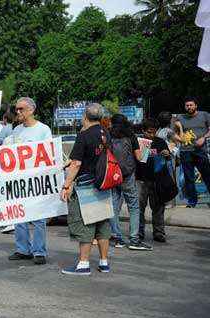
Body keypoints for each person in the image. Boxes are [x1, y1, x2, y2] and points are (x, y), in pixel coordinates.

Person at [60, 103, 112, 276]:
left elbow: (76, 163)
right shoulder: (105, 134)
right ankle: (104, 262)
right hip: (104, 184)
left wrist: (66, 185)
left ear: (85, 116)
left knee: (85, 223)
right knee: (103, 223)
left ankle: (83, 264)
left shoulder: (84, 135)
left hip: (86, 186)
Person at [5, 97, 52, 265]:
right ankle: (23, 249)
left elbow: (48, 154)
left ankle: (39, 251)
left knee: (38, 218)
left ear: (31, 110)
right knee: (19, 215)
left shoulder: (43, 130)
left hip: (37, 180)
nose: (18, 112)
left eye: (21, 109)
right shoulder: (16, 130)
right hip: (19, 180)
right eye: (17, 109)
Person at [107, 114, 152, 251]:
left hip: (113, 175)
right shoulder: (131, 136)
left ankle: (116, 237)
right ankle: (134, 239)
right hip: (127, 175)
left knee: (114, 206)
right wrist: (147, 150)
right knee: (133, 206)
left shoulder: (108, 136)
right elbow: (139, 157)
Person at [136, 118, 171, 243]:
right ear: (143, 131)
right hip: (141, 179)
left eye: (154, 132)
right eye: (149, 132)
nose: (151, 135)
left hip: (157, 180)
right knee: (139, 208)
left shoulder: (160, 142)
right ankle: (139, 232)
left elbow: (168, 159)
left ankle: (159, 232)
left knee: (158, 207)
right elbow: (138, 159)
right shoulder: (138, 142)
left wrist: (167, 154)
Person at [174, 97, 210, 207]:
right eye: (187, 105)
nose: (189, 107)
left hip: (200, 151)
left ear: (196, 106)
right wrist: (179, 139)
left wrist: (204, 138)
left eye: (191, 105)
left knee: (207, 175)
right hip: (186, 151)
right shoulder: (180, 117)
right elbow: (173, 133)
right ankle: (192, 201)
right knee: (189, 178)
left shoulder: (205, 115)